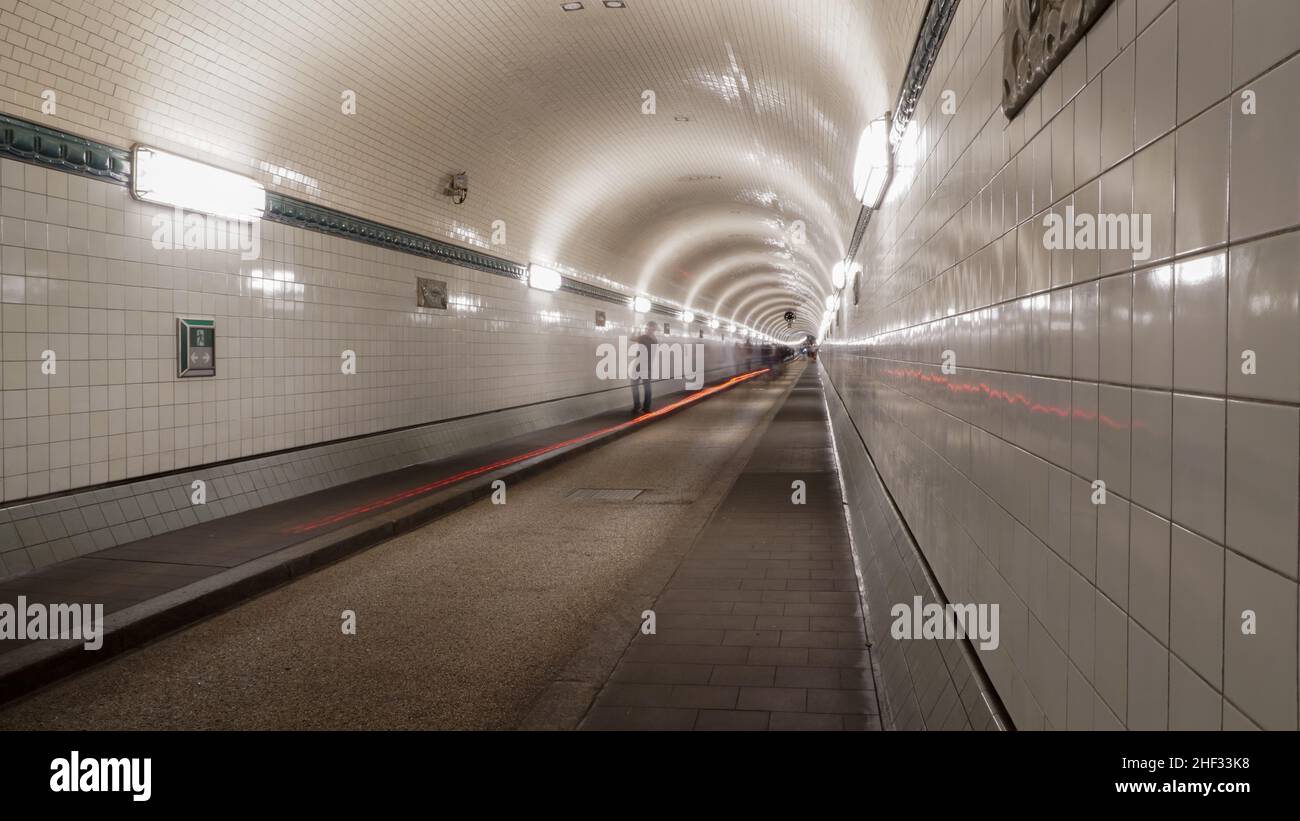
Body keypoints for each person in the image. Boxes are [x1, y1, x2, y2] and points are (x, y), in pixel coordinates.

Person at [631, 321, 658, 414]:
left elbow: (631, 338)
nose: (646, 329)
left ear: (649, 328)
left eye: (647, 327)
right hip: (648, 366)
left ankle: (637, 406)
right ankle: (646, 407)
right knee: (647, 387)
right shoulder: (654, 339)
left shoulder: (644, 337)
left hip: (639, 366)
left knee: (634, 385)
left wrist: (635, 330)